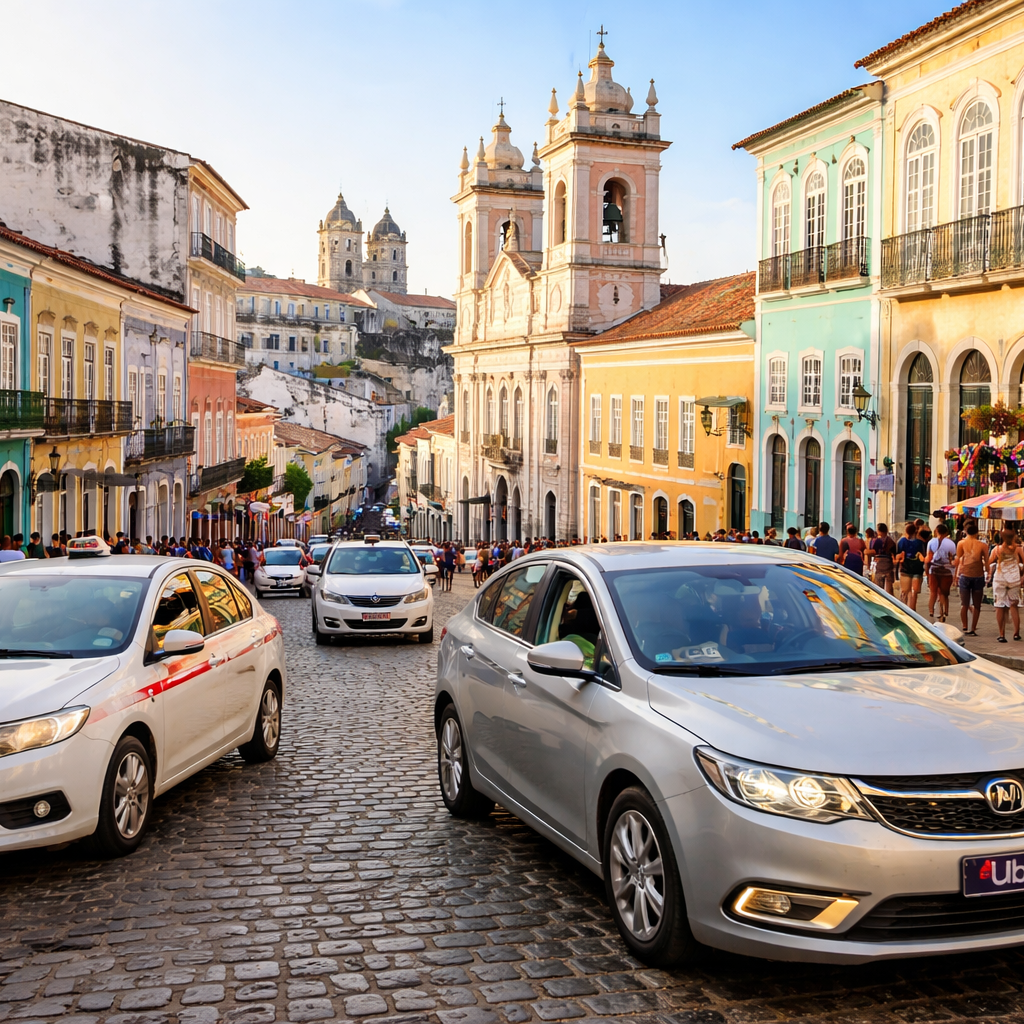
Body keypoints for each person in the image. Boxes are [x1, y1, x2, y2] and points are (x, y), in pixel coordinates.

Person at [989, 527, 1024, 643]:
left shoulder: (997, 549)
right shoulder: (1018, 549)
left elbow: (989, 562)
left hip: (1000, 580)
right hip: (1014, 580)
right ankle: (1016, 633)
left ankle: (1001, 634)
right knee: (1014, 606)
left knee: (999, 606)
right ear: (1014, 536)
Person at [953, 519, 988, 636]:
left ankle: (964, 626)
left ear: (966, 532)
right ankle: (973, 627)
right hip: (978, 575)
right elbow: (987, 563)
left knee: (964, 604)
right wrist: (988, 574)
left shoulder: (961, 544)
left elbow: (958, 560)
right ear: (977, 532)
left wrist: (955, 576)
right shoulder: (983, 545)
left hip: (965, 575)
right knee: (977, 605)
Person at [924, 521, 957, 622]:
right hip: (947, 571)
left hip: (933, 570)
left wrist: (926, 570)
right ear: (947, 532)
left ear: (936, 531)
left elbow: (928, 558)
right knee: (943, 593)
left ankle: (931, 611)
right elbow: (953, 559)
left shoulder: (931, 542)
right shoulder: (951, 543)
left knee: (933, 592)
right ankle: (943, 612)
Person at [896, 522, 926, 611]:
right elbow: (923, 558)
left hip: (905, 568)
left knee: (904, 592)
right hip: (918, 570)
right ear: (915, 531)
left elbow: (898, 556)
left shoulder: (900, 541)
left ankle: (903, 611)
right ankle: (912, 612)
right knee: (914, 593)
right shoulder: (921, 543)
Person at [869, 523, 897, 595]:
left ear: (878, 530)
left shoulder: (877, 541)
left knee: (879, 590)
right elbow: (894, 554)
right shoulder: (890, 541)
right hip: (888, 566)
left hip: (879, 565)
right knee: (889, 590)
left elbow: (873, 552)